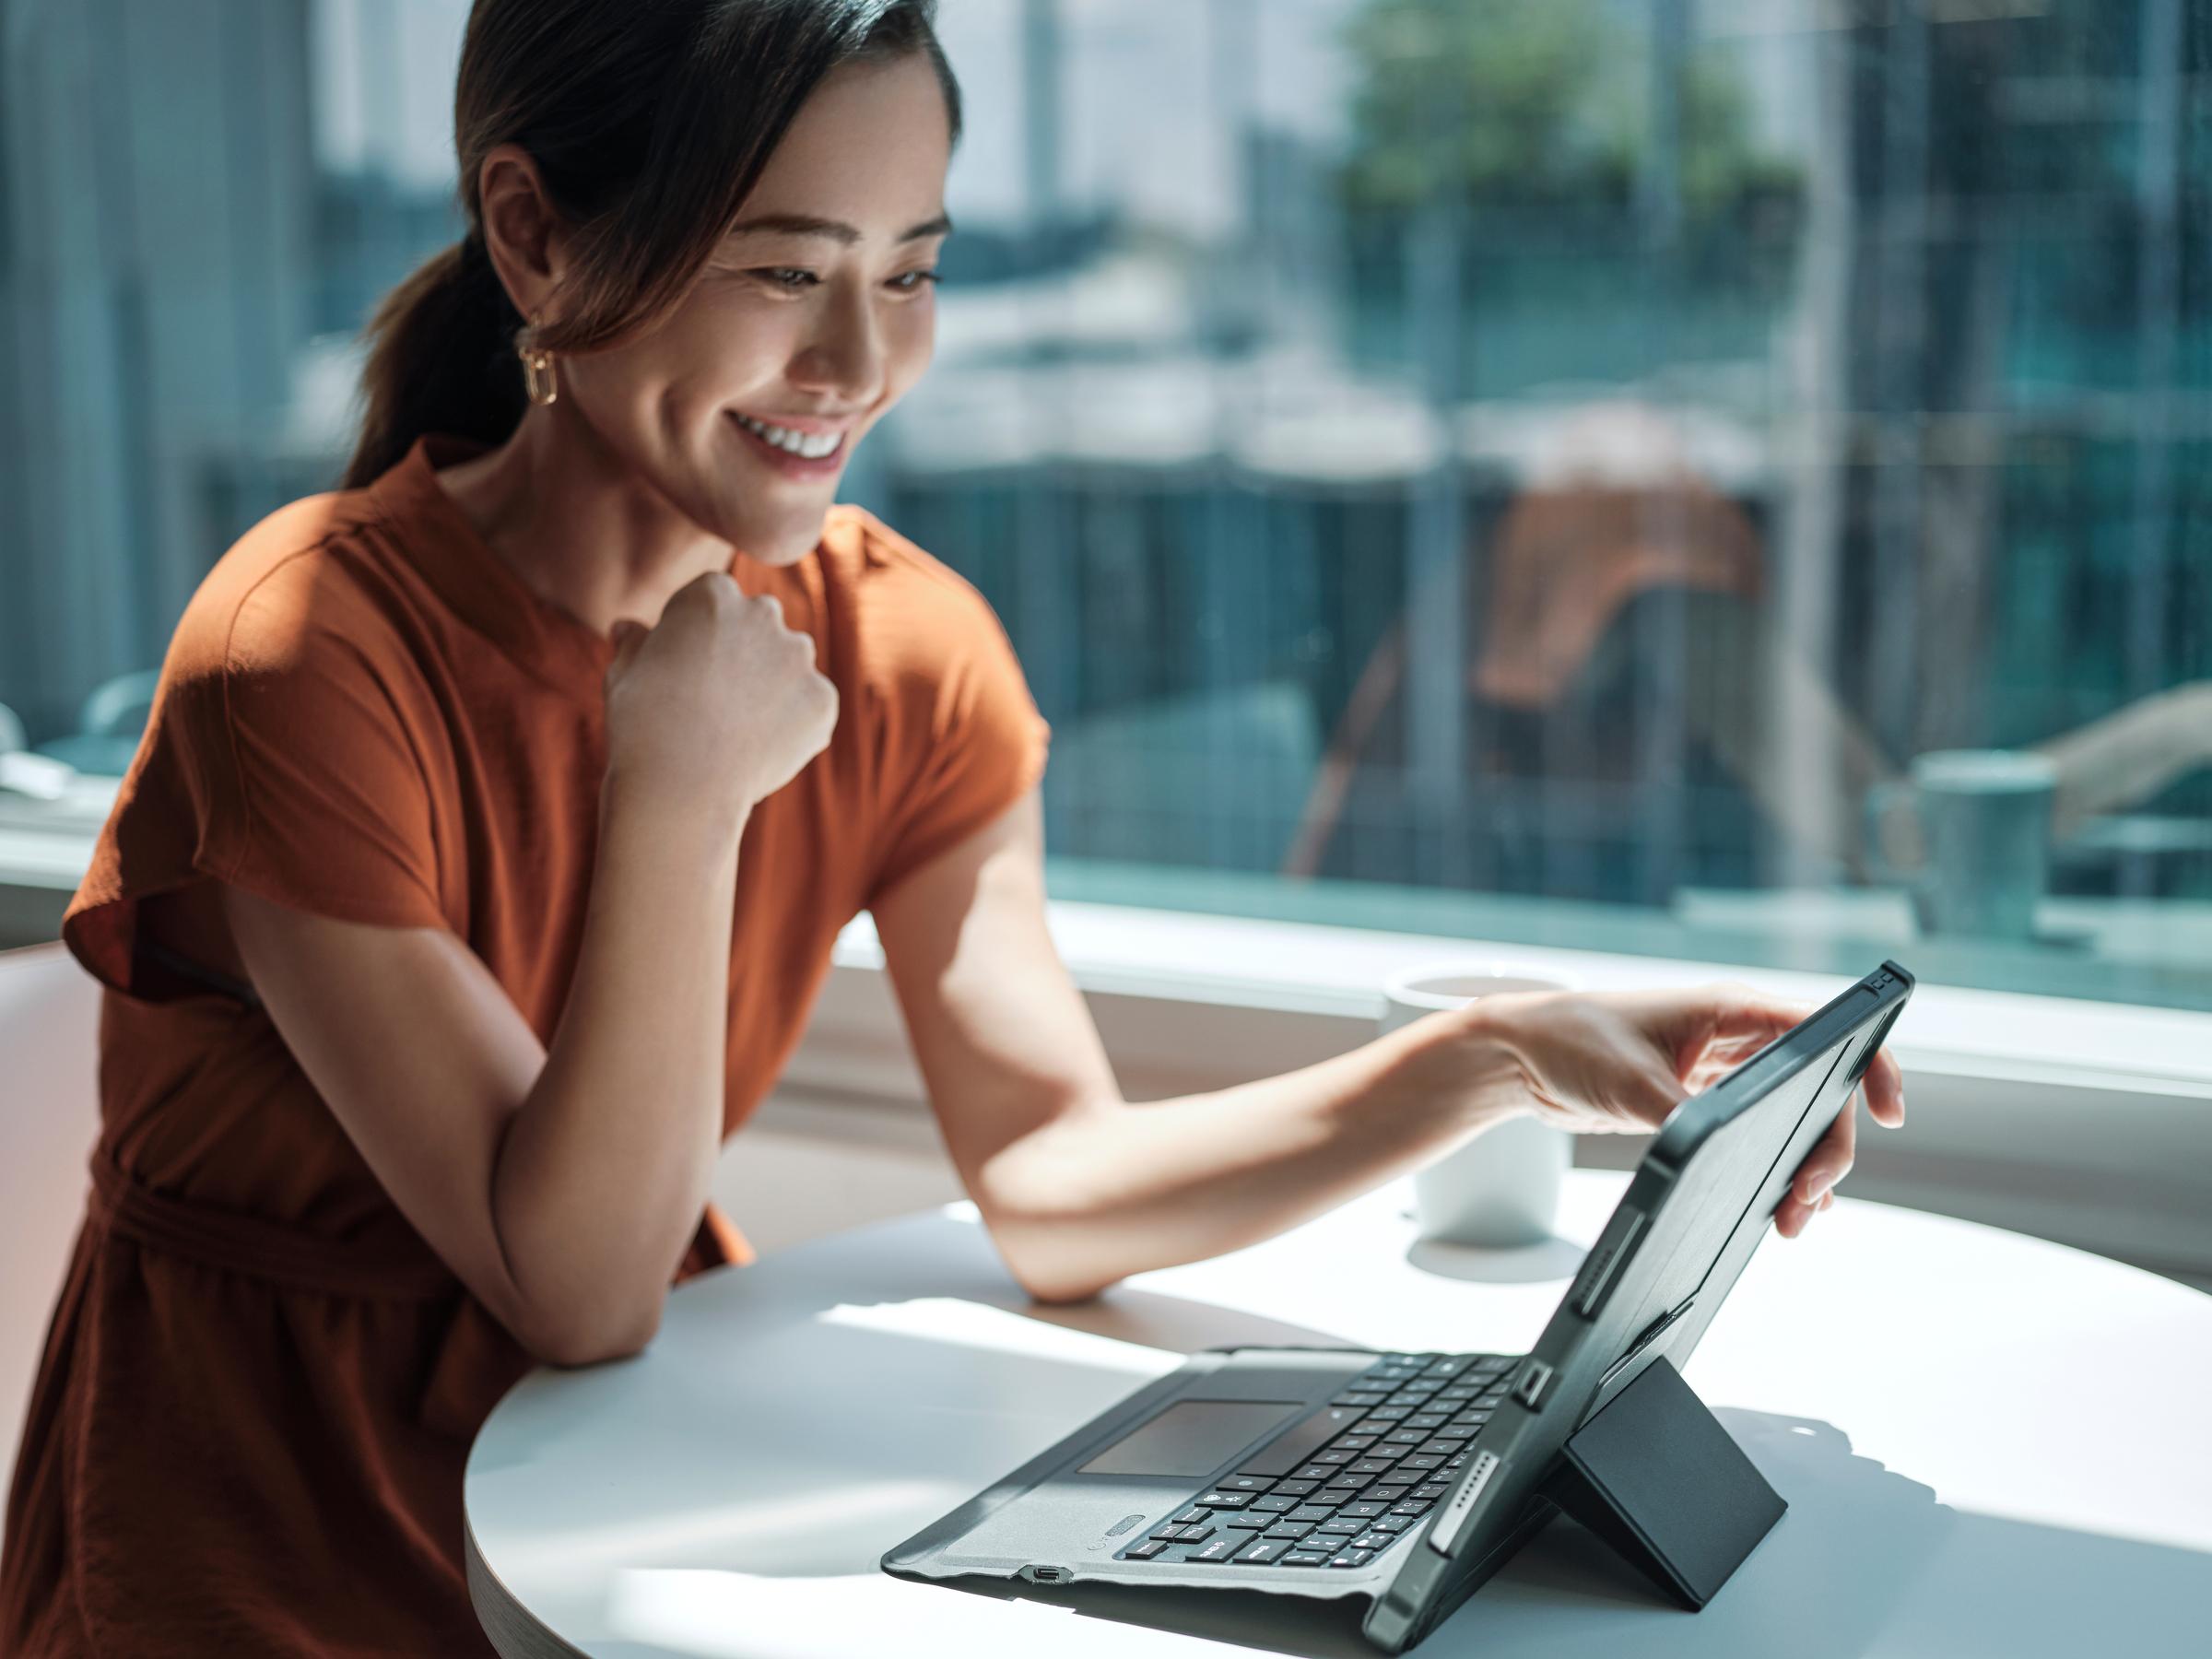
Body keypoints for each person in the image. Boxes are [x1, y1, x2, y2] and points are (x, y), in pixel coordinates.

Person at [0, 3, 1903, 1652]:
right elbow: (573, 1284)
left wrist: (1489, 1056)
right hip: (260, 1561)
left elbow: (1056, 1185)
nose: (859, 364)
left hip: (626, 1513)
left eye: (908, 269)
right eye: (781, 269)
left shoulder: (904, 649)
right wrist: (679, 783)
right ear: (534, 234)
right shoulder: (299, 657)